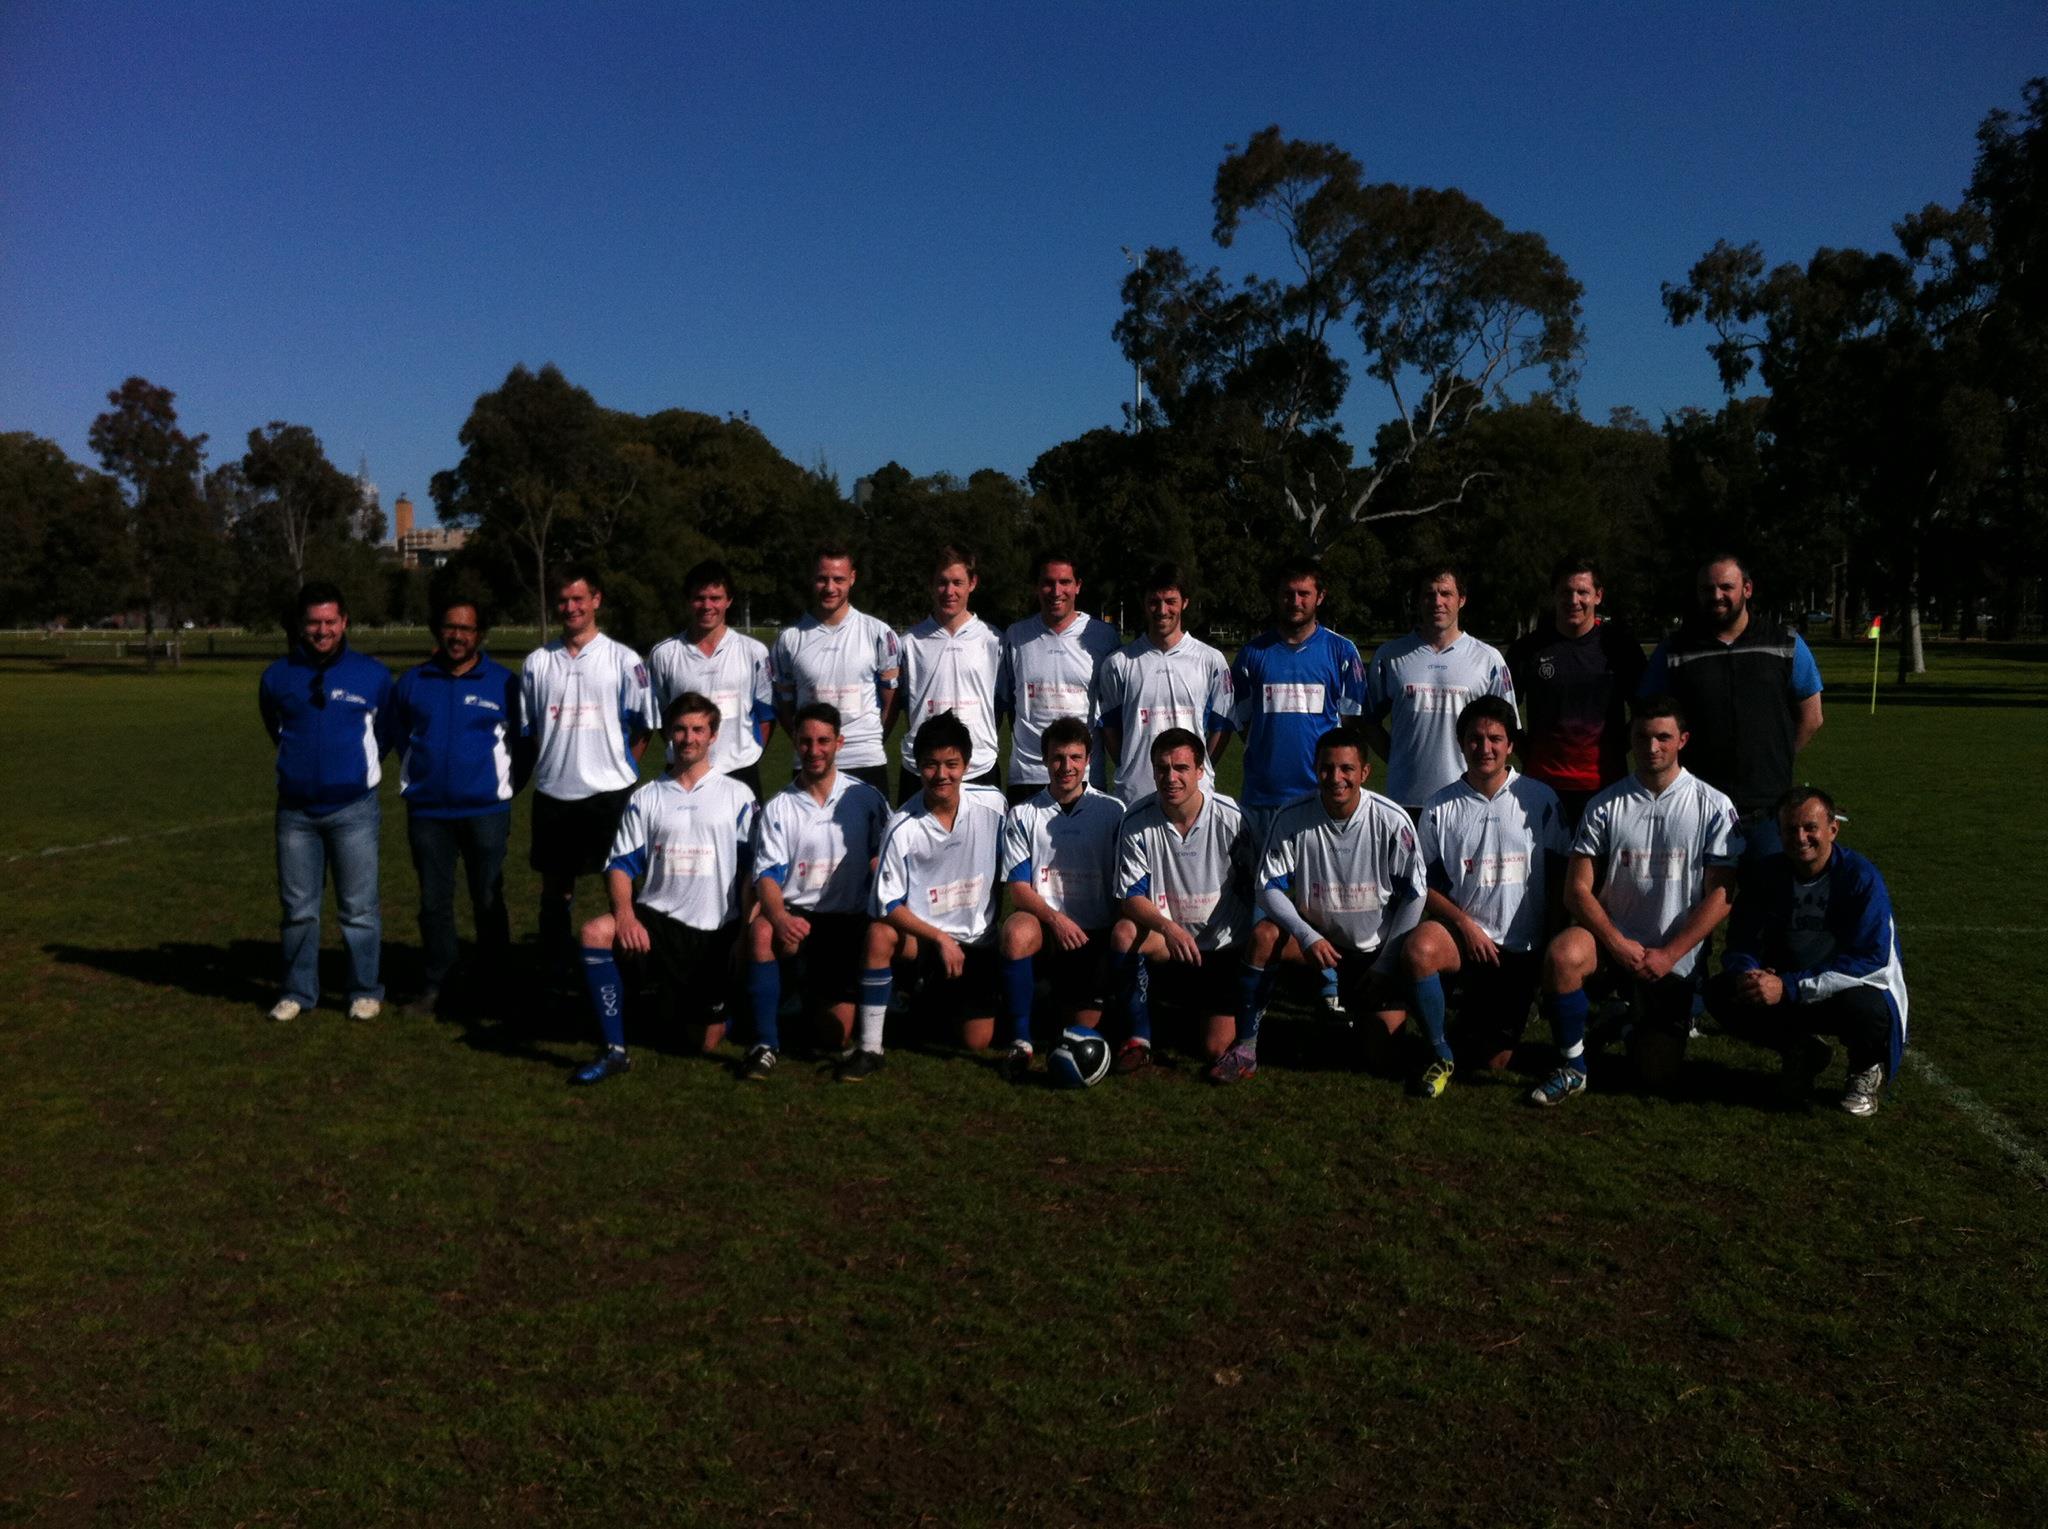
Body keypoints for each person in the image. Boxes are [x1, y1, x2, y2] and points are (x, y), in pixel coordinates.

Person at [1528, 696, 1741, 1106]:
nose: (1653, 746)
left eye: (1664, 737)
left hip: (1672, 956)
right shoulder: (1605, 804)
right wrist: (1616, 943)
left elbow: (1722, 896)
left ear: (1683, 740)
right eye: (1643, 736)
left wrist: (1668, 954)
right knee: (1563, 955)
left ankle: (1625, 1020)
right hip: (1612, 947)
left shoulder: (1713, 805)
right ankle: (1573, 1067)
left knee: (1655, 1075)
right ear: (1631, 739)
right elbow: (1576, 890)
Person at [569, 693, 757, 1085]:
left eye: (697, 729)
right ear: (669, 734)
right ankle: (614, 1051)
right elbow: (620, 865)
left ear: (713, 735)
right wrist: (625, 915)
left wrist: (743, 931)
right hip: (656, 920)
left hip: (713, 930)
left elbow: (750, 872)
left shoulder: (737, 795)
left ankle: (704, 1005)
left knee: (702, 1043)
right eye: (680, 729)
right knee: (594, 933)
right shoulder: (647, 796)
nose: (688, 738)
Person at [1240, 727, 1431, 1088]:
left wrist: (1387, 964)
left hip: (1373, 954)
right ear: (1315, 769)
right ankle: (1246, 1044)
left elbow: (1416, 893)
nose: (1336, 778)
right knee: (1264, 935)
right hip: (1317, 947)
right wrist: (1307, 935)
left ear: (1365, 773)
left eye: (1346, 769)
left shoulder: (1391, 819)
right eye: (1327, 768)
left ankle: (1357, 1012)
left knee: (1380, 1058)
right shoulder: (1292, 815)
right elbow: (1266, 886)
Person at [1708, 786, 1908, 1117]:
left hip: (1839, 991)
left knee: (1870, 1008)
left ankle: (1864, 1069)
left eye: (1810, 828)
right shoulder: (1766, 875)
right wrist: (1749, 973)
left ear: (1833, 828)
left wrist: (1788, 985)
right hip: (1786, 986)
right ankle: (1801, 1050)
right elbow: (1741, 941)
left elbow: (1870, 961)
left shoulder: (1861, 877)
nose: (1800, 838)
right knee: (1722, 992)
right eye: (1790, 829)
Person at [1228, 557, 1368, 1014]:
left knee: (1319, 896)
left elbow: (1348, 727)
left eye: (1304, 593)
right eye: (1288, 593)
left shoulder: (1341, 652)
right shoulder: (1252, 654)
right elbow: (1244, 723)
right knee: (1260, 895)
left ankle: (1329, 985)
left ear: (1319, 597)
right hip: (1263, 796)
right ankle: (1257, 987)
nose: (1295, 601)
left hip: (1317, 798)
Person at [1410, 696, 1570, 1086]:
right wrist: (1464, 924)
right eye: (1475, 738)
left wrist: (1549, 948)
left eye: (1495, 738)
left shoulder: (1540, 799)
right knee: (1421, 947)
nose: (1485, 748)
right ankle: (1440, 1050)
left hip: (1522, 950)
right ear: (1462, 743)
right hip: (1467, 943)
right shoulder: (1439, 805)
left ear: (1511, 744)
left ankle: (1506, 1010)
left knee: (1494, 1061)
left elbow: (1561, 876)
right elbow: (1420, 885)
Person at [840, 711, 1008, 1082]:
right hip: (925, 944)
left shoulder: (994, 806)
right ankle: (870, 1047)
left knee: (977, 1042)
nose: (942, 775)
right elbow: (885, 904)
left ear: (966, 765)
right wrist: (940, 938)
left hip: (977, 943)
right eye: (931, 765)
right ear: (918, 767)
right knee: (879, 935)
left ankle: (924, 1005)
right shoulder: (902, 825)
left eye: (951, 764)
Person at [257, 581, 395, 1022]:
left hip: (354, 810)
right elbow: (275, 728)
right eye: (314, 622)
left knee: (359, 909)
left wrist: (348, 772)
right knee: (299, 911)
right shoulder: (277, 677)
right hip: (295, 813)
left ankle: (365, 989)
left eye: (330, 622)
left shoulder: (371, 674)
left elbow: (386, 733)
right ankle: (298, 991)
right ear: (302, 624)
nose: (322, 630)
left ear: (344, 622)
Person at [388, 591, 526, 1014]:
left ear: (480, 634)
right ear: (438, 630)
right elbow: (398, 734)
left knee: (488, 899)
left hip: (486, 812)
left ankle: (495, 986)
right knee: (433, 903)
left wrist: (503, 789)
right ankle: (438, 984)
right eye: (450, 626)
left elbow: (524, 745)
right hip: (429, 814)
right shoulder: (413, 682)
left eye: (466, 628)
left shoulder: (504, 682)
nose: (457, 635)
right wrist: (423, 777)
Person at [520, 563, 657, 984]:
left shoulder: (624, 659)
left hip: (609, 795)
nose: (570, 607)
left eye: (579, 598)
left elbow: (643, 726)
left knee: (619, 886)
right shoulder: (537, 663)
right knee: (556, 889)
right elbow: (531, 730)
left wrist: (621, 771)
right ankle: (556, 966)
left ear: (595, 600)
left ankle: (630, 966)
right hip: (555, 794)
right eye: (563, 600)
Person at [1640, 552, 1824, 861]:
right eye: (1706, 589)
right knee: (1692, 905)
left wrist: (1776, 755)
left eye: (1726, 587)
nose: (1716, 596)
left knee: (1765, 904)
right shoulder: (1675, 649)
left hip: (1767, 808)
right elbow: (1650, 718)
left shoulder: (1785, 643)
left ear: (1747, 589)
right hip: (1695, 805)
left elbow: (1812, 716)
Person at [742, 703, 890, 1080]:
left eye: (824, 740)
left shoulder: (867, 798)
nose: (814, 750)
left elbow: (888, 862)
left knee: (835, 1036)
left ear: (839, 742)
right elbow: (767, 878)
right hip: (799, 920)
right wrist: (778, 916)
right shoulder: (779, 807)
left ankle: (800, 993)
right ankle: (764, 1044)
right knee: (761, 930)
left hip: (848, 923)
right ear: (795, 742)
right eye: (806, 741)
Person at [1108, 729, 1258, 1079]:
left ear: (1200, 770)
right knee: (1124, 932)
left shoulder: (1233, 819)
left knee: (1215, 1049)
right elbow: (1131, 897)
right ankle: (1138, 1039)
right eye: (1162, 769)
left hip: (1221, 950)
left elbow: (1256, 888)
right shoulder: (1136, 821)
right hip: (1170, 944)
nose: (1171, 778)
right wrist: (1169, 928)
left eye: (1181, 768)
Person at [996, 717, 1126, 1078]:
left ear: (1088, 760)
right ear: (1044, 759)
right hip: (1050, 933)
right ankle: (1020, 1042)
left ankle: (1104, 1003)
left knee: (1080, 1031)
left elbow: (1123, 887)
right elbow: (1018, 888)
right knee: (1016, 929)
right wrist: (1055, 919)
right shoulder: (1024, 814)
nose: (1065, 767)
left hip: (1093, 936)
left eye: (1074, 757)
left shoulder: (1112, 811)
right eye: (1057, 758)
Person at [1506, 555, 1647, 828]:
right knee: (1547, 869)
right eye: (1565, 592)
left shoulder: (1620, 648)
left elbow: (1647, 710)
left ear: (1598, 595)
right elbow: (1504, 712)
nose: (1573, 600)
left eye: (1582, 592)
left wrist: (1620, 747)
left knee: (1603, 869)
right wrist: (1529, 753)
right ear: (1554, 595)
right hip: (1542, 787)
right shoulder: (1527, 650)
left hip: (1607, 785)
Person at [1364, 563, 1516, 814]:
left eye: (1446, 594)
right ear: (1418, 600)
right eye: (1429, 594)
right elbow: (1369, 722)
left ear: (1462, 600)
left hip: (1468, 798)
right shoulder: (1390, 656)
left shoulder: (1488, 659)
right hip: (1405, 799)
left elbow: (1508, 731)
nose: (1437, 601)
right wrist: (1398, 758)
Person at [1095, 562, 1234, 806]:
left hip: (1195, 794)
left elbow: (1222, 725)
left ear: (1185, 602)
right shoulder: (1118, 663)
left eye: (1170, 601)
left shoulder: (1210, 660)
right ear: (1144, 603)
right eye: (1154, 601)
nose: (1162, 610)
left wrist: (1200, 766)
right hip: (1136, 793)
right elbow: (1109, 728)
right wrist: (1131, 767)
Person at [770, 543, 901, 795]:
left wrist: (869, 738)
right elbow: (784, 706)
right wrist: (809, 743)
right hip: (811, 761)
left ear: (852, 578)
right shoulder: (789, 639)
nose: (830, 588)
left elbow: (892, 703)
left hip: (864, 758)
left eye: (838, 579)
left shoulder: (878, 633)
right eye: (822, 579)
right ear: (812, 579)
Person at [998, 549, 1120, 805]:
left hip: (1083, 774)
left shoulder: (1102, 637)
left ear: (1078, 586)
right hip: (1029, 774)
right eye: (1048, 583)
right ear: (1037, 587)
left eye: (1064, 582)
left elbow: (1113, 712)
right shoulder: (1016, 636)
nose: (1056, 591)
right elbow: (1010, 704)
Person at [646, 558, 774, 797]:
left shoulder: (754, 651)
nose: (707, 606)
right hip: (684, 771)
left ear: (729, 600)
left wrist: (747, 753)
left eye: (715, 598)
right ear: (688, 600)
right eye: (699, 598)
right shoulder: (663, 654)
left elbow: (766, 716)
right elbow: (663, 718)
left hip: (739, 772)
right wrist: (686, 750)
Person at [895, 543, 1005, 803]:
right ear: (931, 584)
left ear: (972, 583)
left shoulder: (993, 640)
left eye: (957, 582)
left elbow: (998, 707)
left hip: (979, 767)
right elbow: (903, 705)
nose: (949, 591)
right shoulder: (910, 642)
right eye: (942, 583)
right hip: (922, 768)